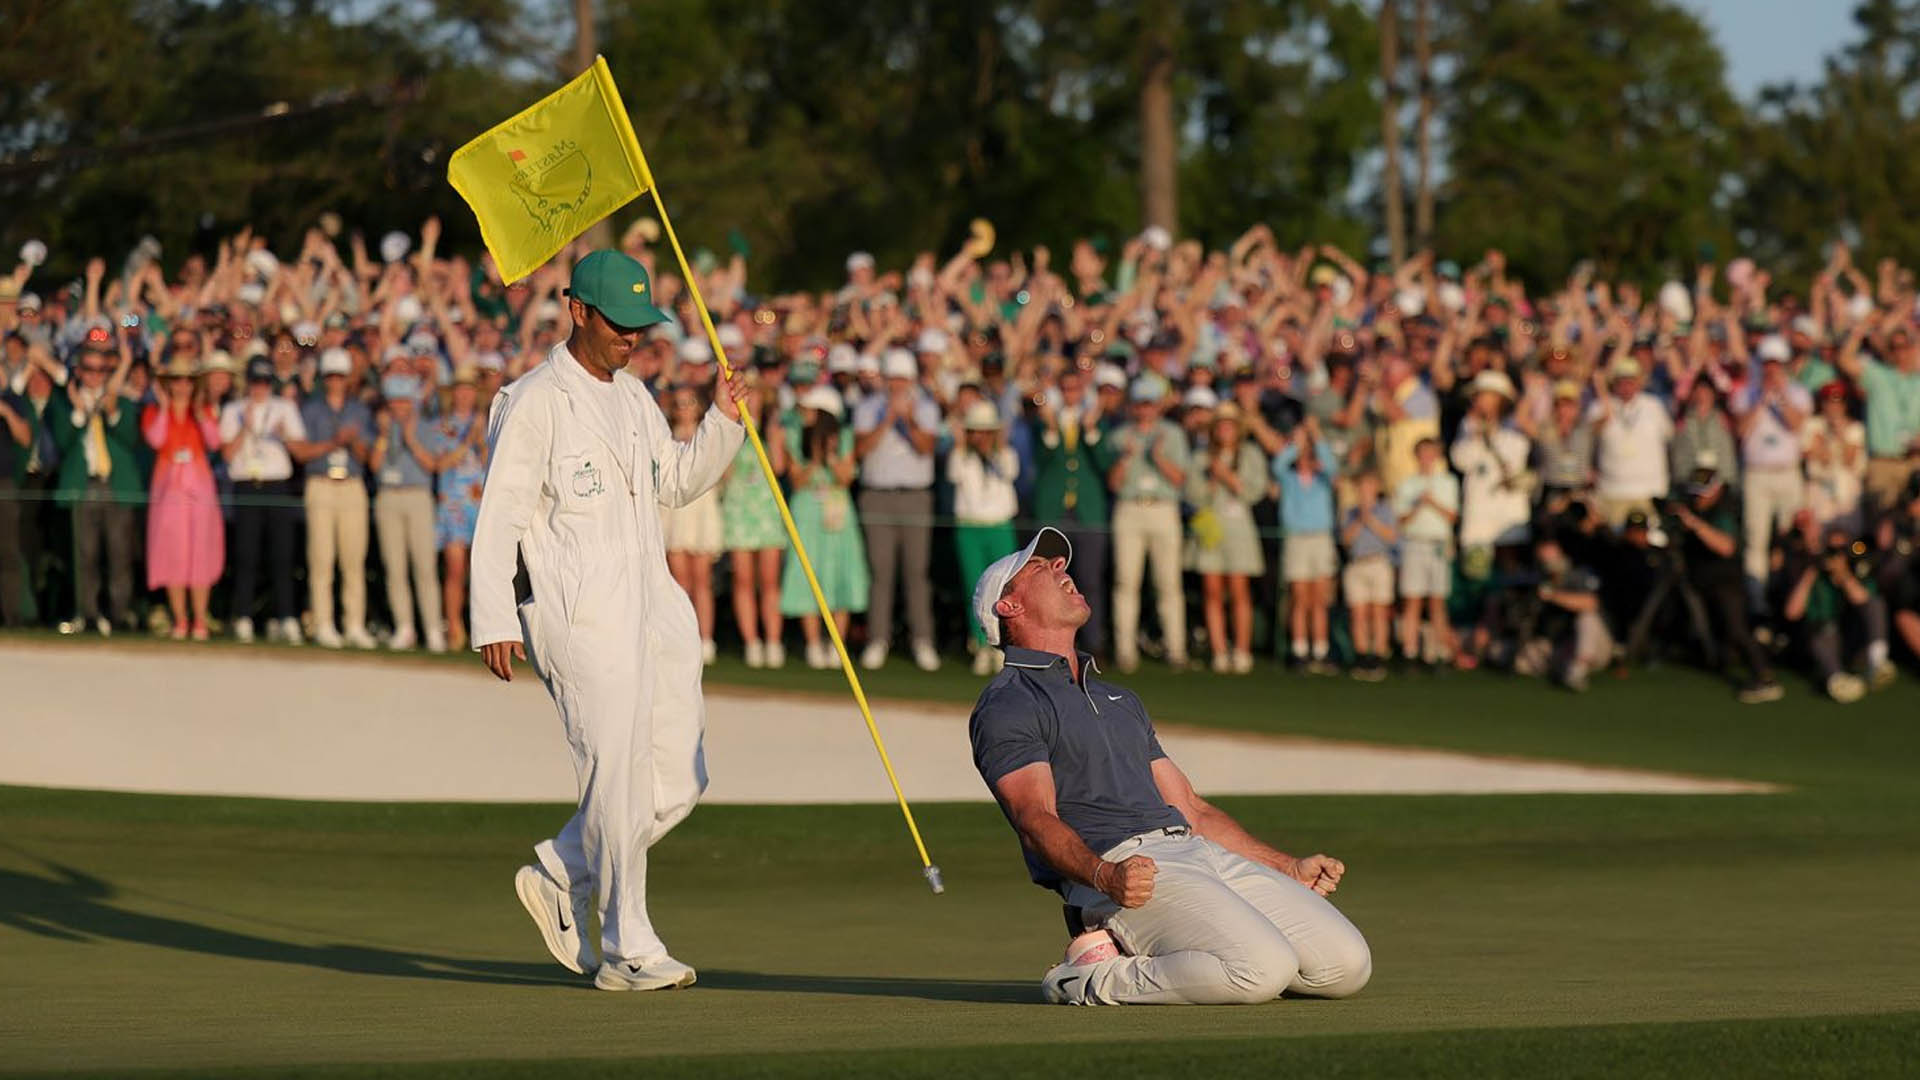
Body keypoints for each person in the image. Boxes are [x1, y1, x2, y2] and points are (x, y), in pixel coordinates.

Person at [471, 250, 745, 992]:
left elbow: (678, 482)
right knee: (617, 777)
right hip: (575, 609)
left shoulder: (633, 396)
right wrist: (492, 613)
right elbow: (497, 516)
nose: (633, 338)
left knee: (679, 779)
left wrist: (722, 420)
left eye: (641, 326)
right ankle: (630, 950)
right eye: (619, 324)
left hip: (652, 601)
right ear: (579, 312)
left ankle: (563, 868)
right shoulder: (534, 400)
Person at [966, 527, 1370, 1006]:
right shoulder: (1008, 703)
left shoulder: (1119, 698)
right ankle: (1088, 980)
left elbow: (1192, 810)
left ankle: (1163, 957)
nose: (1062, 569)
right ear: (1008, 608)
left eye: (1058, 563)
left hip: (1196, 851)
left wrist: (1287, 867)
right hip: (1121, 871)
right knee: (1261, 969)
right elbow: (1035, 820)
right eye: (1039, 568)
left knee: (1346, 966)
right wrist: (1103, 876)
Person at [1665, 458, 1785, 704]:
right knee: (1719, 633)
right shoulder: (1692, 506)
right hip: (1703, 580)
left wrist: (1694, 525)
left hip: (1727, 582)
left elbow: (1726, 547)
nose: (1698, 499)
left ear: (1717, 489)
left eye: (1703, 494)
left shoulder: (1726, 509)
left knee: (1738, 630)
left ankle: (1765, 676)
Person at [852, 347, 942, 671]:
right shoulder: (867, 407)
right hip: (877, 496)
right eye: (893, 379)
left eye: (903, 379)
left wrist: (908, 418)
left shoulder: (927, 407)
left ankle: (923, 640)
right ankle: (878, 639)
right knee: (881, 572)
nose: (898, 386)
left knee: (917, 572)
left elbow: (926, 448)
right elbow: (860, 450)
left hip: (916, 497)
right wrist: (887, 419)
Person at [50, 328, 140, 636]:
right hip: (83, 485)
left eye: (102, 369)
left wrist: (112, 410)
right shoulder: (66, 401)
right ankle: (86, 615)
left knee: (119, 556)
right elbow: (62, 442)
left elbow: (130, 438)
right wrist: (79, 412)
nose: (95, 375)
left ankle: (119, 616)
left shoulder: (121, 398)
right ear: (79, 370)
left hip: (115, 485)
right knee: (84, 556)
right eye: (89, 369)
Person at [292, 347, 376, 649]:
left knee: (353, 561)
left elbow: (367, 457)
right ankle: (324, 624)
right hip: (321, 484)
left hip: (352, 484)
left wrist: (352, 442)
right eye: (331, 376)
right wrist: (333, 443)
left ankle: (354, 624)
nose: (335, 382)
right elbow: (300, 452)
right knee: (321, 560)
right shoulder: (310, 410)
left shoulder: (359, 411)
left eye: (340, 376)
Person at [781, 385, 868, 669]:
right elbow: (797, 480)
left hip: (838, 512)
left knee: (839, 573)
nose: (804, 415)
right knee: (808, 573)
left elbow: (844, 479)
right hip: (807, 511)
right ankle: (813, 644)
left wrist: (830, 455)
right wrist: (816, 456)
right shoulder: (795, 436)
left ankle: (836, 645)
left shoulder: (843, 438)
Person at [1030, 363, 1114, 658]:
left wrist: (1091, 431)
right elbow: (1039, 463)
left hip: (1087, 511)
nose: (1070, 395)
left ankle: (1093, 644)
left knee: (1090, 579)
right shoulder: (1046, 423)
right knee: (1049, 583)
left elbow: (1105, 465)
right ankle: (1051, 642)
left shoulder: (1095, 422)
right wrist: (1051, 430)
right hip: (1054, 512)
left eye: (1075, 389)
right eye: (1065, 389)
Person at [1107, 375, 1191, 671]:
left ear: (1158, 406)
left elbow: (1181, 479)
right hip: (1130, 508)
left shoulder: (1173, 434)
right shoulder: (1120, 436)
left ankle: (1176, 648)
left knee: (1168, 583)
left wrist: (1158, 456)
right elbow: (1114, 483)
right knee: (1126, 581)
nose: (1145, 410)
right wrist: (1127, 458)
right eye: (1140, 404)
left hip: (1163, 508)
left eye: (1150, 404)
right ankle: (1125, 650)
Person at [220, 355, 305, 644]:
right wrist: (245, 426)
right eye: (256, 381)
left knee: (282, 556)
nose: (260, 388)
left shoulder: (284, 407)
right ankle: (242, 616)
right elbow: (227, 454)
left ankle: (286, 618)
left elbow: (299, 451)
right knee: (246, 555)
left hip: (277, 485)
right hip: (247, 484)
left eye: (265, 382)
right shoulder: (233, 410)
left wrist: (283, 435)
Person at [141, 355, 224, 639]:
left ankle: (200, 619)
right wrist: (166, 407)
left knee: (200, 551)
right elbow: (155, 439)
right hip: (168, 490)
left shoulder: (203, 411)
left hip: (198, 489)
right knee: (172, 552)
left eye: (188, 380)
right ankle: (180, 619)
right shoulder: (154, 411)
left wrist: (200, 413)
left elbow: (215, 442)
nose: (183, 385)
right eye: (177, 380)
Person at [1184, 402, 1267, 674]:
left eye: (1229, 424)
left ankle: (1242, 650)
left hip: (1240, 529)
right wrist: (1211, 480)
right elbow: (1193, 494)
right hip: (1211, 529)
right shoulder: (1201, 457)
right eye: (1220, 424)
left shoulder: (1250, 454)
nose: (1225, 430)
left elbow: (1255, 491)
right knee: (1212, 590)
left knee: (1239, 590)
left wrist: (1228, 477)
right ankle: (1219, 651)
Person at [368, 373, 447, 652]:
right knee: (395, 567)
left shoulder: (426, 427)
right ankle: (405, 627)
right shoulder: (382, 427)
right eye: (395, 402)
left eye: (404, 402)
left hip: (417, 495)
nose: (399, 408)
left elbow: (432, 465)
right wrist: (381, 435)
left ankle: (433, 629)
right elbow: (375, 466)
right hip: (389, 496)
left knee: (424, 567)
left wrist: (411, 439)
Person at [1779, 517, 1896, 702]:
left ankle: (1878, 659)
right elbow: (1792, 612)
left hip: (1854, 637)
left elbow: (1865, 600)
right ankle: (1836, 678)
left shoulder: (1859, 568)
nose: (1836, 555)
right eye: (1832, 550)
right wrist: (1811, 573)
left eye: (1842, 550)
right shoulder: (1812, 570)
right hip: (1825, 639)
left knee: (1876, 604)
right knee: (1822, 632)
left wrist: (1843, 575)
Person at [718, 374, 788, 668]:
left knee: (770, 581)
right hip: (738, 508)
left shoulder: (773, 428)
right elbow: (725, 473)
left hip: (766, 510)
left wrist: (772, 439)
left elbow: (780, 466)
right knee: (743, 580)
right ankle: (752, 642)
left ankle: (773, 641)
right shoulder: (732, 428)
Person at [1730, 341, 1811, 596]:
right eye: (1768, 365)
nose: (1772, 371)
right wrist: (1762, 400)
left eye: (1777, 365)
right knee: (1756, 540)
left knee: (1792, 538)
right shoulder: (1746, 394)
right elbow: (1741, 431)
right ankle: (1757, 601)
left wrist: (1781, 397)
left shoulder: (1798, 393)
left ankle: (1789, 593)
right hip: (1757, 474)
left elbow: (1796, 425)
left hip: (1788, 473)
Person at [950, 399, 1021, 675]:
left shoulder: (1005, 454)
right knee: (975, 588)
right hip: (969, 527)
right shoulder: (961, 456)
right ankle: (980, 646)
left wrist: (996, 447)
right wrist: (961, 443)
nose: (979, 436)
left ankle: (1004, 647)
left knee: (1004, 590)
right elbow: (953, 474)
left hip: (999, 526)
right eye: (975, 431)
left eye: (985, 431)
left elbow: (1010, 471)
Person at [420, 366, 489, 652]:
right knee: (455, 569)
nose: (464, 395)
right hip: (453, 503)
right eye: (460, 389)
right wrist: (467, 442)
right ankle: (454, 628)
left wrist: (479, 439)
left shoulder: (486, 424)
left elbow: (491, 460)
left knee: (484, 572)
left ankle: (483, 630)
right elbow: (440, 464)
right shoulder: (441, 426)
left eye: (469, 389)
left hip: (481, 501)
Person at [660, 383, 725, 664]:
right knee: (678, 582)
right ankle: (681, 637)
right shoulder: (665, 437)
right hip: (675, 513)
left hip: (701, 508)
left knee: (702, 581)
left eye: (688, 403)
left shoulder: (705, 435)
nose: (684, 410)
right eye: (679, 404)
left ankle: (706, 637)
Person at [1274, 419, 1340, 673]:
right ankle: (1300, 649)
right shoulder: (1288, 478)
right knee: (1299, 596)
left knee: (1319, 598)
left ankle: (1320, 650)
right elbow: (1277, 464)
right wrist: (1296, 443)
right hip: (1297, 538)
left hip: (1320, 538)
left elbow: (1332, 467)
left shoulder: (1323, 478)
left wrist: (1316, 436)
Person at [1834, 324, 1920, 511]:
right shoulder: (1877, 374)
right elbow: (1844, 360)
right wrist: (1859, 329)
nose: (1901, 352)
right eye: (1895, 347)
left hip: (1915, 461)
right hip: (1883, 461)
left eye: (1905, 346)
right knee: (1883, 523)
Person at [1393, 437, 1458, 666]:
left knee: (1437, 602)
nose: (1428, 458)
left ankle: (1440, 652)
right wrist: (1418, 505)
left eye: (1432, 453)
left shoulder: (1448, 482)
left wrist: (1432, 502)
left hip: (1438, 544)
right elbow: (1401, 520)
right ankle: (1410, 651)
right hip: (1414, 543)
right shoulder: (1407, 484)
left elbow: (1452, 517)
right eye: (1423, 453)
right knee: (1412, 600)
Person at [1588, 358, 1673, 528]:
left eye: (1631, 381)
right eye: (1622, 382)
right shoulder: (1599, 406)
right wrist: (1602, 393)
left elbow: (1669, 437)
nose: (1626, 386)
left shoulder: (1653, 406)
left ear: (1640, 382)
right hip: (1613, 491)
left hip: (1649, 490)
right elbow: (1590, 436)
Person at [1339, 470, 1397, 681]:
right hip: (1357, 564)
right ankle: (1362, 655)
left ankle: (1378, 655)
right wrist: (1359, 520)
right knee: (1358, 613)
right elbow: (1345, 540)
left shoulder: (1385, 510)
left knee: (1379, 613)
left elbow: (1392, 537)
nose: (1364, 491)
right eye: (1360, 487)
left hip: (1379, 562)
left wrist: (1370, 519)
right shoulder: (1350, 512)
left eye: (1368, 486)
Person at [1803, 381, 1867, 533]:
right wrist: (1827, 436)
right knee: (1818, 538)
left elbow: (1849, 460)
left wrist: (1840, 434)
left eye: (1838, 402)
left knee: (1850, 538)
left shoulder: (1855, 428)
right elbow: (1814, 456)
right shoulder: (1813, 424)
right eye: (1829, 402)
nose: (1833, 407)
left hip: (1847, 489)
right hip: (1820, 489)